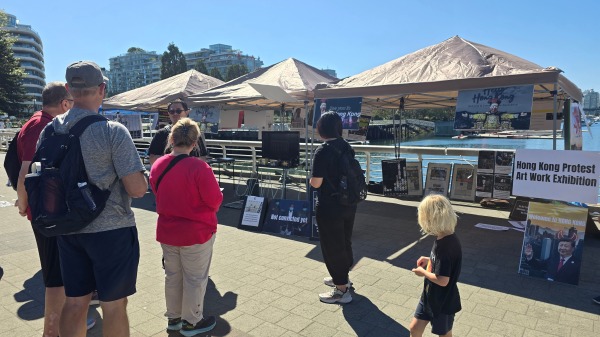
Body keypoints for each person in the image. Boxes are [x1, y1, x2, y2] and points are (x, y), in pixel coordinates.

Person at [53, 61, 147, 337]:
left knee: (74, 302)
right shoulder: (112, 131)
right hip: (111, 231)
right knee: (114, 305)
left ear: (69, 89)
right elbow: (137, 189)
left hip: (68, 228)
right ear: (102, 89)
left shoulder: (51, 130)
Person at [14, 82, 95, 336]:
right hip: (47, 214)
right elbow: (27, 170)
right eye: (70, 104)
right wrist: (26, 205)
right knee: (56, 277)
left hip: (43, 211)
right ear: (64, 103)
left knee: (57, 274)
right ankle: (54, 330)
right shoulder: (42, 126)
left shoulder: (34, 123)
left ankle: (58, 327)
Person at [149, 117, 222, 336]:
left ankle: (174, 317)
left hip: (167, 231)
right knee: (194, 279)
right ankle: (192, 322)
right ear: (195, 141)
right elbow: (214, 201)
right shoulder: (200, 167)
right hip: (196, 233)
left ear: (171, 138)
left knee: (173, 276)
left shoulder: (158, 165)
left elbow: (156, 191)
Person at [310, 112, 357, 304]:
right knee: (344, 241)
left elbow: (316, 183)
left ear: (321, 129)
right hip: (349, 203)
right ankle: (342, 278)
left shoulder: (322, 151)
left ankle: (341, 290)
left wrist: (310, 179)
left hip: (330, 205)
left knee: (332, 246)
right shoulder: (346, 147)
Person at [409, 194, 462, 337]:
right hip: (429, 295)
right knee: (414, 329)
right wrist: (429, 260)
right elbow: (443, 264)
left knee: (444, 334)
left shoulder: (445, 246)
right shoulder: (444, 237)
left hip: (443, 302)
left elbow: (443, 280)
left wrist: (422, 272)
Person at [148, 99, 209, 165]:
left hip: (190, 172)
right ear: (168, 113)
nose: (175, 114)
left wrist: (185, 163)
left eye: (178, 111)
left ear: (187, 112)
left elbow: (203, 157)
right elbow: (152, 159)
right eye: (172, 111)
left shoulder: (196, 133)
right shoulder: (161, 134)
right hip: (169, 173)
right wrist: (175, 161)